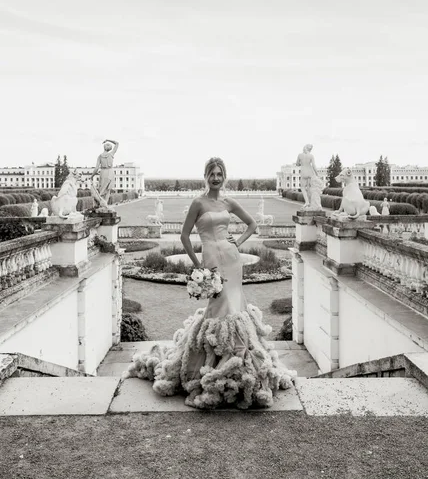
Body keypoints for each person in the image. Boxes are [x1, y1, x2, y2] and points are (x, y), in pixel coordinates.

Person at [124, 157, 296, 409]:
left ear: (224, 176)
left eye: (219, 173)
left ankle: (238, 361)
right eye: (212, 174)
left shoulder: (228, 202)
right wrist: (197, 265)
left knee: (235, 308)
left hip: (232, 258)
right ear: (206, 176)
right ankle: (209, 365)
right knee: (217, 309)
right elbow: (184, 236)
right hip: (211, 259)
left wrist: (237, 242)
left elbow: (252, 224)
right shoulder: (198, 202)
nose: (216, 177)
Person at [90, 139, 119, 206]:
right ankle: (104, 204)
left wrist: (92, 176)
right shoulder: (111, 154)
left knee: (101, 190)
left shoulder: (100, 156)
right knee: (108, 190)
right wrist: (108, 140)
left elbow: (96, 168)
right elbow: (117, 143)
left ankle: (100, 204)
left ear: (104, 147)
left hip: (103, 172)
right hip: (110, 172)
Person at [296, 144, 318, 208]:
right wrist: (317, 174)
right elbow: (313, 165)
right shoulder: (311, 156)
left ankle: (307, 202)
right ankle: (311, 203)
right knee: (309, 188)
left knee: (303, 187)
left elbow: (297, 164)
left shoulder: (300, 155)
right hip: (310, 172)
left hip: (304, 172)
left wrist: (301, 163)